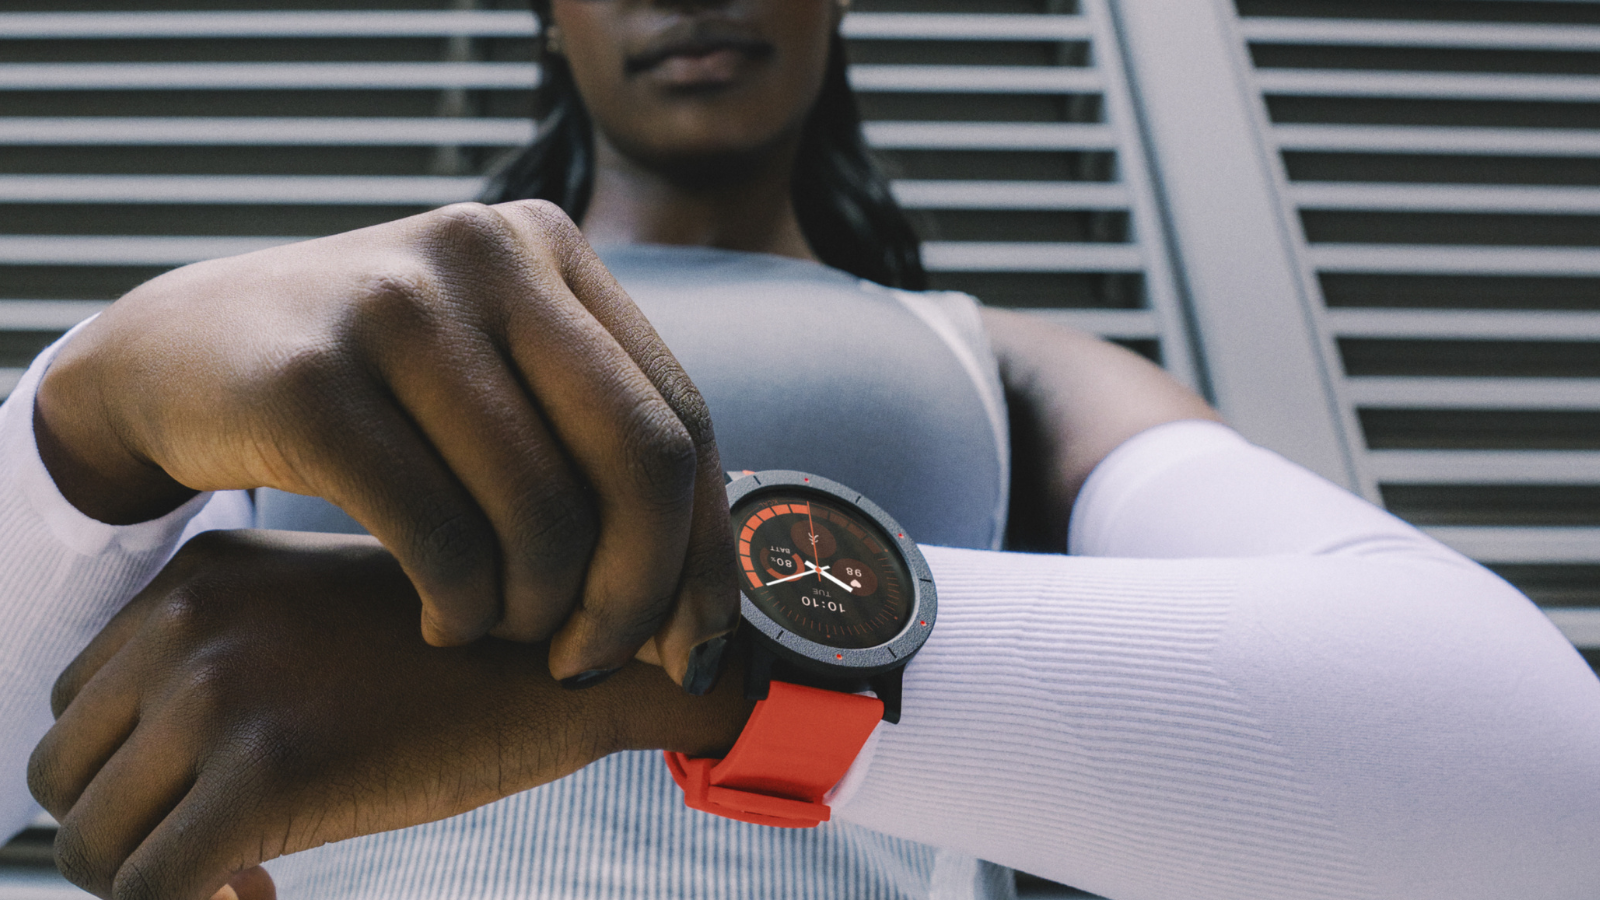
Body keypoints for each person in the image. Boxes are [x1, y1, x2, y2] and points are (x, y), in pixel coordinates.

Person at [3, 2, 1599, 899]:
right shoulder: (305, 325)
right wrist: (78, 417)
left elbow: (1537, 778)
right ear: (555, 17)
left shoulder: (1004, 363)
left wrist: (655, 665)